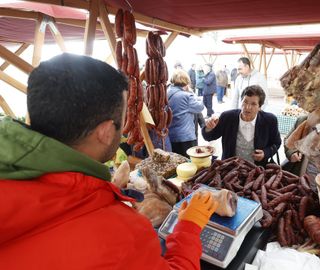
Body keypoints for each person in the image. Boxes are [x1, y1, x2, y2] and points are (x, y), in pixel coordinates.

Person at [0, 53, 217, 269]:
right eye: (122, 119)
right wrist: (189, 226)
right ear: (104, 132)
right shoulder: (123, 232)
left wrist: (103, 192)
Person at [202, 85, 281, 167]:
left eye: (253, 104)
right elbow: (208, 137)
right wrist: (208, 128)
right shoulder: (227, 117)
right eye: (245, 101)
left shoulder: (269, 121)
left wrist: (265, 153)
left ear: (260, 107)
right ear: (241, 101)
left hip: (257, 171)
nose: (247, 107)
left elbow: (276, 143)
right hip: (230, 169)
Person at [167, 69, 205, 157]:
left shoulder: (167, 92)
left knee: (177, 163)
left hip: (171, 136)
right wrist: (193, 93)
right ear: (186, 82)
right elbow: (200, 106)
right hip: (186, 138)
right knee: (189, 164)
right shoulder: (187, 96)